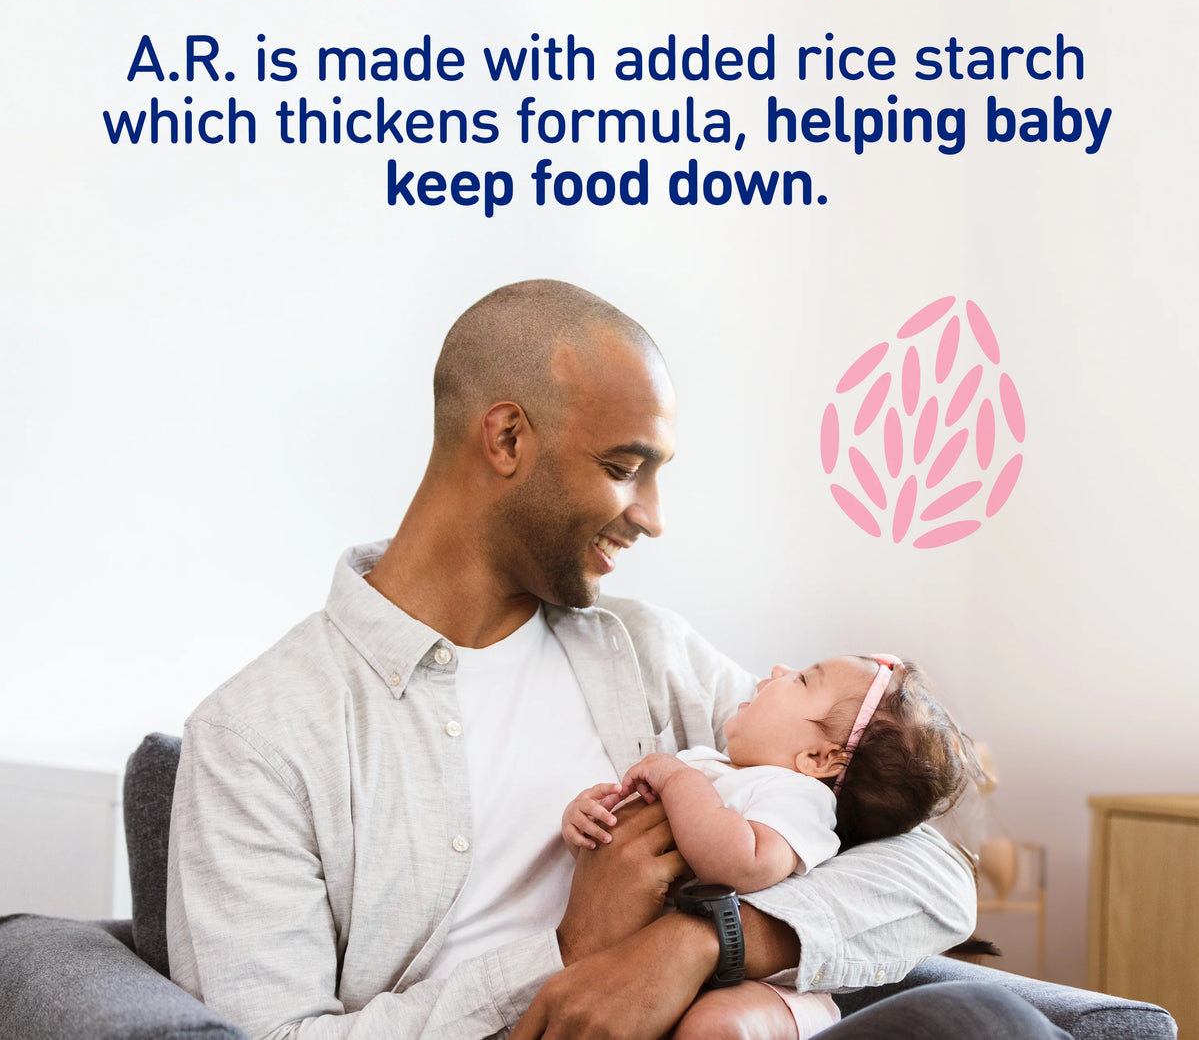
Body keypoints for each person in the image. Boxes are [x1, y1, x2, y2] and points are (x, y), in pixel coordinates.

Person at [166, 279, 1066, 1040]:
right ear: (507, 438)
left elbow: (935, 877)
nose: (652, 516)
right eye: (626, 465)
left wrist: (698, 940)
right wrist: (565, 957)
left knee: (985, 1022)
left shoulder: (645, 654)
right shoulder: (259, 738)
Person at [563, 654, 976, 1040]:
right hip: (656, 978)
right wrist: (589, 822)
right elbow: (620, 867)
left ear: (817, 758)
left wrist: (677, 781)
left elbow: (742, 864)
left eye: (801, 679)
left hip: (761, 989)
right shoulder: (710, 765)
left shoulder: (797, 796)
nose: (778, 669)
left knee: (719, 1025)